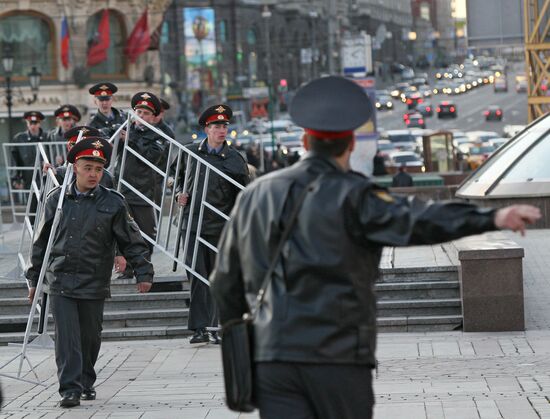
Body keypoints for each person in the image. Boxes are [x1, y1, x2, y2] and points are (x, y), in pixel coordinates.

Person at [209, 76, 541, 419]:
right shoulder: (357, 195)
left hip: (273, 357)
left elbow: (224, 281)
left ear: (306, 140)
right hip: (338, 356)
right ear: (351, 143)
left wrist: (241, 332)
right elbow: (420, 220)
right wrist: (492, 217)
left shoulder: (255, 194)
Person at [26, 136, 154, 408]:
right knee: (67, 339)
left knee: (90, 337)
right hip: (60, 279)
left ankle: (86, 379)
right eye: (87, 168)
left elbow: (131, 240)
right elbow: (41, 242)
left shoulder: (114, 202)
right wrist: (33, 279)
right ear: (75, 167)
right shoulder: (55, 200)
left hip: (94, 280)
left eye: (98, 169)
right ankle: (69, 389)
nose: (93, 174)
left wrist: (143, 272)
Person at [175, 104, 250, 344]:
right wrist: (179, 194)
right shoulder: (191, 153)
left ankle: (218, 327)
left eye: (225, 125)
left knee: (219, 278)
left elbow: (242, 195)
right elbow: (177, 180)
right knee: (197, 276)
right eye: (217, 126)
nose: (222, 130)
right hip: (193, 225)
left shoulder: (235, 159)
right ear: (206, 129)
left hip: (221, 227)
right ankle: (199, 328)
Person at [116, 92, 169, 279]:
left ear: (153, 117)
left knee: (146, 233)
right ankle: (129, 268)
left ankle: (144, 268)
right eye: (138, 111)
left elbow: (151, 157)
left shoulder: (158, 135)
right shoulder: (124, 129)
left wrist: (129, 139)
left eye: (146, 113)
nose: (141, 116)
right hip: (123, 189)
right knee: (124, 231)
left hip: (144, 191)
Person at [43, 126, 115, 189]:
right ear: (69, 147)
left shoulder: (105, 176)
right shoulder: (59, 173)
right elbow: (49, 200)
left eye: (85, 147)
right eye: (76, 146)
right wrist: (51, 177)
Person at [11, 111, 47, 194]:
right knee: (29, 205)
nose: (33, 125)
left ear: (40, 123)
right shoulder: (19, 138)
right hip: (28, 180)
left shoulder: (47, 137)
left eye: (35, 123)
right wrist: (16, 179)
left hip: (45, 180)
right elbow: (14, 160)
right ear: (27, 123)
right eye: (31, 123)